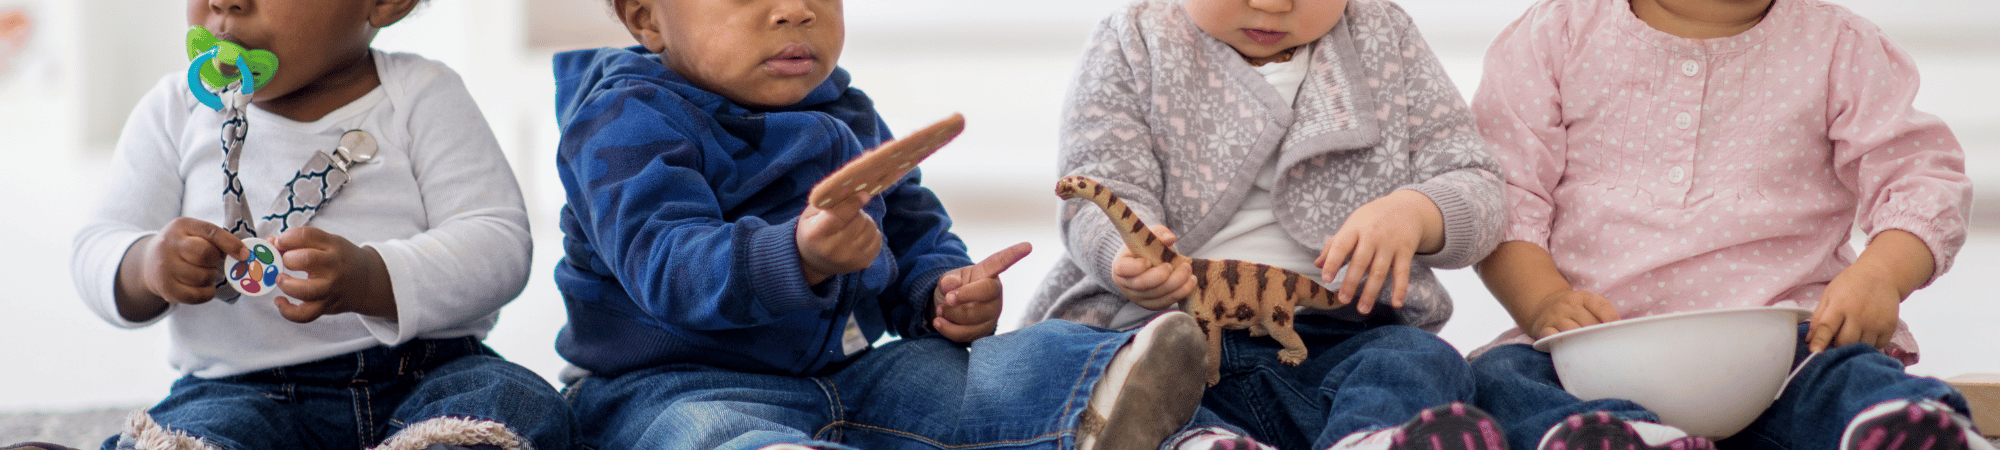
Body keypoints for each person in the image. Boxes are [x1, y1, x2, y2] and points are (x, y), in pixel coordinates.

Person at [550, 0, 1218, 449]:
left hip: (850, 377)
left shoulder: (845, 112)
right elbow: (665, 264)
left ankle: (1100, 394)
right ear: (648, 19)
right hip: (673, 382)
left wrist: (943, 292)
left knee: (973, 371)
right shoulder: (624, 120)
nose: (794, 10)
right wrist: (798, 255)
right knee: (700, 431)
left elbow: (911, 228)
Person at [1467, 0, 1986, 449]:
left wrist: (1882, 273)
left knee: (1847, 376)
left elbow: (1921, 177)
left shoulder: (1841, 48)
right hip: (1589, 350)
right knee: (1502, 379)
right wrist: (1541, 302)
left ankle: (1897, 428)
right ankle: (1613, 435)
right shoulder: (1551, 37)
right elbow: (1503, 197)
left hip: (1786, 343)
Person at [65, 0, 574, 449]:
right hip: (238, 390)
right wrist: (147, 265)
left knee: (516, 403)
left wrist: (374, 277)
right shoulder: (175, 111)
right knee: (189, 433)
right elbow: (97, 246)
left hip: (426, 372)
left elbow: (499, 243)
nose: (226, 3)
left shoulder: (421, 93)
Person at [1024, 0, 1512, 449]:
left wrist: (1416, 212)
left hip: (1338, 336)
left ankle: (1369, 436)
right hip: (1164, 338)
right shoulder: (1134, 39)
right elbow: (1098, 183)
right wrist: (1123, 257)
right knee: (1098, 380)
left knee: (1424, 361)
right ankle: (1199, 442)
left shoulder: (1386, 36)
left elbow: (1476, 180)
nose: (1273, 4)